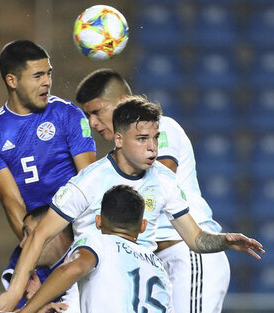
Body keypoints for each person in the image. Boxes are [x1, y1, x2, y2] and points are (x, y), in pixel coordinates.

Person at [0, 97, 264, 311]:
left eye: (155, 137)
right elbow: (41, 234)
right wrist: (16, 290)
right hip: (92, 281)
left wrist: (224, 241)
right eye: (142, 139)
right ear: (119, 139)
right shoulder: (89, 182)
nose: (153, 148)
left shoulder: (163, 180)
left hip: (141, 279)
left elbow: (195, 239)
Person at [75, 68, 230, 312]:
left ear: (123, 101)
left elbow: (153, 182)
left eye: (97, 111)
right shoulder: (114, 160)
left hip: (186, 253)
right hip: (152, 261)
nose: (92, 122)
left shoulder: (161, 128)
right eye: (87, 115)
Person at [0, 39, 96, 240]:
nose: (47, 82)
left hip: (82, 229)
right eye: (38, 76)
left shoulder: (68, 114)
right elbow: (12, 202)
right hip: (39, 236)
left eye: (49, 73)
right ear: (12, 81)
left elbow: (90, 182)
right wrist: (36, 252)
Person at [19, 185, 173, 313]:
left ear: (98, 221)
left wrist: (27, 311)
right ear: (143, 226)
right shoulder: (158, 266)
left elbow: (72, 269)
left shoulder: (96, 242)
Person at [1, 205, 77, 312]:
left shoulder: (84, 257)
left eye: (30, 234)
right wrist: (37, 303)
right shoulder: (30, 273)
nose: (22, 244)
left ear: (53, 231)